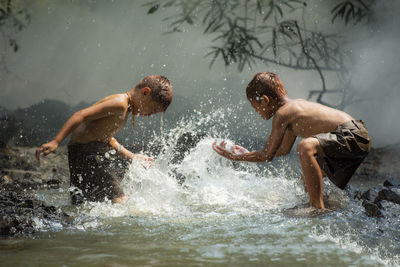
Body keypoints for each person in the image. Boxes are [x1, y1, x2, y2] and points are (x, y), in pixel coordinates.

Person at [212, 72, 370, 209]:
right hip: (356, 136)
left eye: (256, 107)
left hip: (352, 134)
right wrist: (248, 153)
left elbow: (267, 155)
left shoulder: (283, 114)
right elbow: (282, 150)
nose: (257, 112)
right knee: (306, 180)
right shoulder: (291, 111)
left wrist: (236, 157)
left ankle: (317, 207)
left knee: (305, 146)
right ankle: (326, 204)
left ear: (265, 100)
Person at [36, 75, 173, 204]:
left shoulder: (124, 108)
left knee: (84, 201)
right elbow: (81, 115)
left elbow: (106, 138)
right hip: (89, 154)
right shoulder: (120, 104)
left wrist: (132, 156)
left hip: (81, 153)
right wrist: (56, 141)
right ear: (145, 92)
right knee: (119, 200)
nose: (149, 115)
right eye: (153, 109)